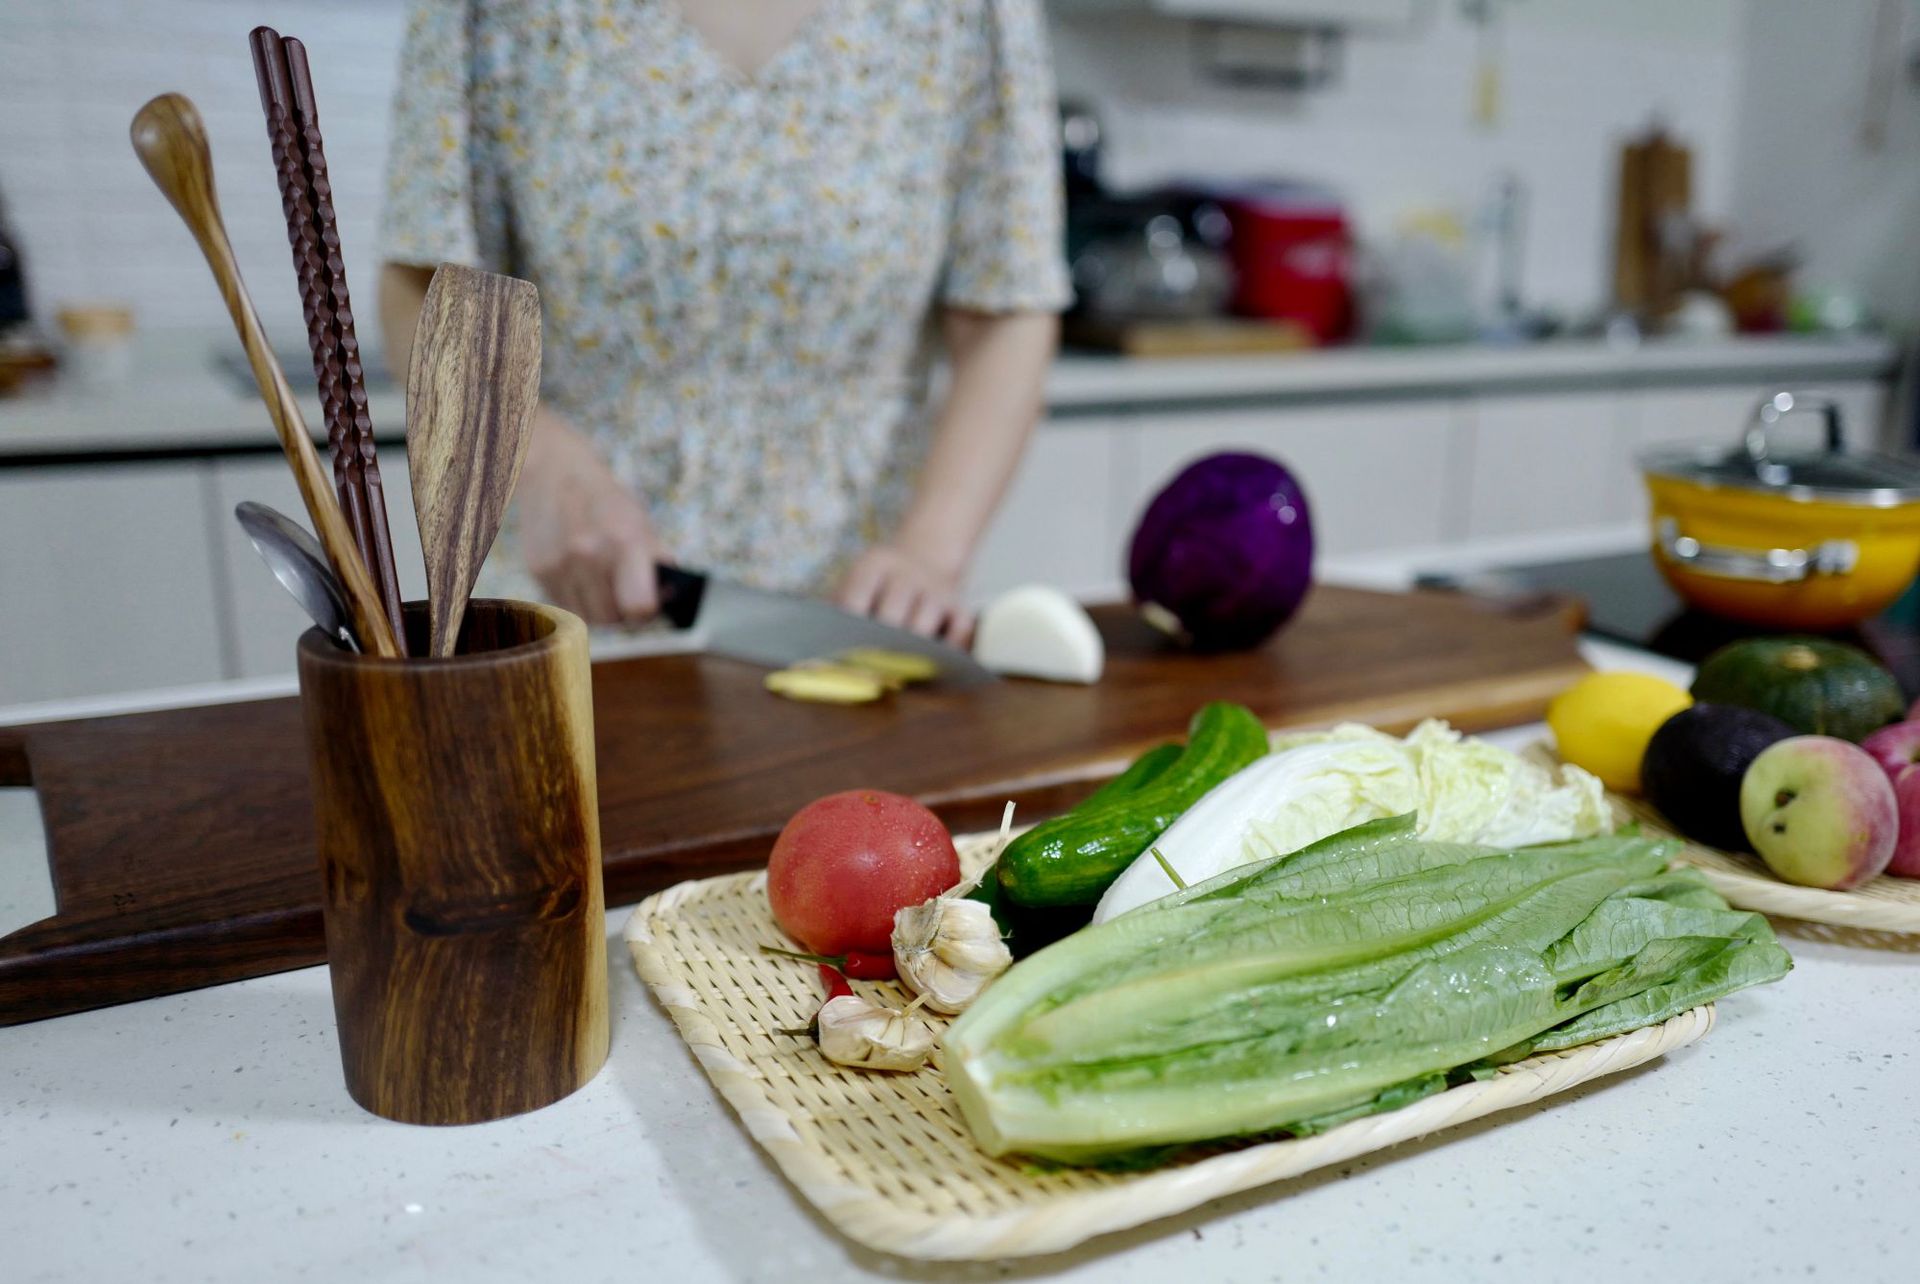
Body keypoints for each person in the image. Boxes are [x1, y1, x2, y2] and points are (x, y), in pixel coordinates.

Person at [378, 0, 1068, 642]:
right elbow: (424, 288)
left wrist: (930, 552)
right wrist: (540, 465)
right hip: (570, 608)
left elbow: (1008, 305)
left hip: (856, 624)